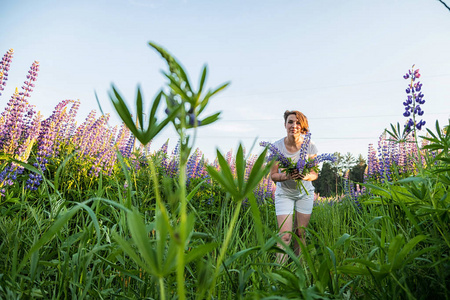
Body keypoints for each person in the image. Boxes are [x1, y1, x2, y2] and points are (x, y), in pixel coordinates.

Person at [270, 110, 318, 264]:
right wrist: (288, 176)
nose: (294, 125)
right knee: (285, 236)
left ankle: (300, 273)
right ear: (285, 124)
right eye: (290, 122)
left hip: (305, 194)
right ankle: (279, 273)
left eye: (298, 123)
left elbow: (315, 173)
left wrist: (305, 176)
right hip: (284, 194)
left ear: (302, 126)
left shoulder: (309, 146)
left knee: (300, 234)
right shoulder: (276, 147)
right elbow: (273, 175)